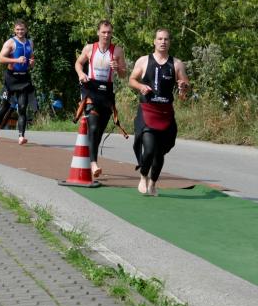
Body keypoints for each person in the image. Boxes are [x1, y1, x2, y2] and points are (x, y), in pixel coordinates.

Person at [128, 28, 189, 196]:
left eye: (166, 39)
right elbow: (131, 80)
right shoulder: (143, 61)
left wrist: (183, 87)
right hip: (148, 111)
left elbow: (184, 90)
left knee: (159, 153)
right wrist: (141, 86)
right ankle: (143, 177)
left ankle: (153, 183)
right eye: (160, 39)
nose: (163, 42)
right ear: (154, 41)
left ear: (170, 42)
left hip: (165, 114)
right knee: (148, 150)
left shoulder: (176, 64)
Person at [74, 19, 127, 178]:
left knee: (99, 132)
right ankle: (93, 164)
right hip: (91, 89)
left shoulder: (117, 51)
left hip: (107, 92)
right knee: (93, 126)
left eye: (109, 32)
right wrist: (81, 74)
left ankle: (91, 160)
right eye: (103, 32)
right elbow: (78, 63)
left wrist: (118, 68)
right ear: (98, 32)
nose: (106, 35)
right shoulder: (90, 48)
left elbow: (123, 74)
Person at [0, 20, 36, 145]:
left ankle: (21, 136)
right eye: (17, 29)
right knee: (5, 106)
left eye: (22, 29)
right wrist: (16, 60)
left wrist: (32, 62)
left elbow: (31, 57)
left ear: (26, 30)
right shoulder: (10, 42)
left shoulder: (30, 42)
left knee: (22, 107)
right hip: (11, 78)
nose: (20, 32)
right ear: (14, 30)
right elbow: (0, 59)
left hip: (24, 78)